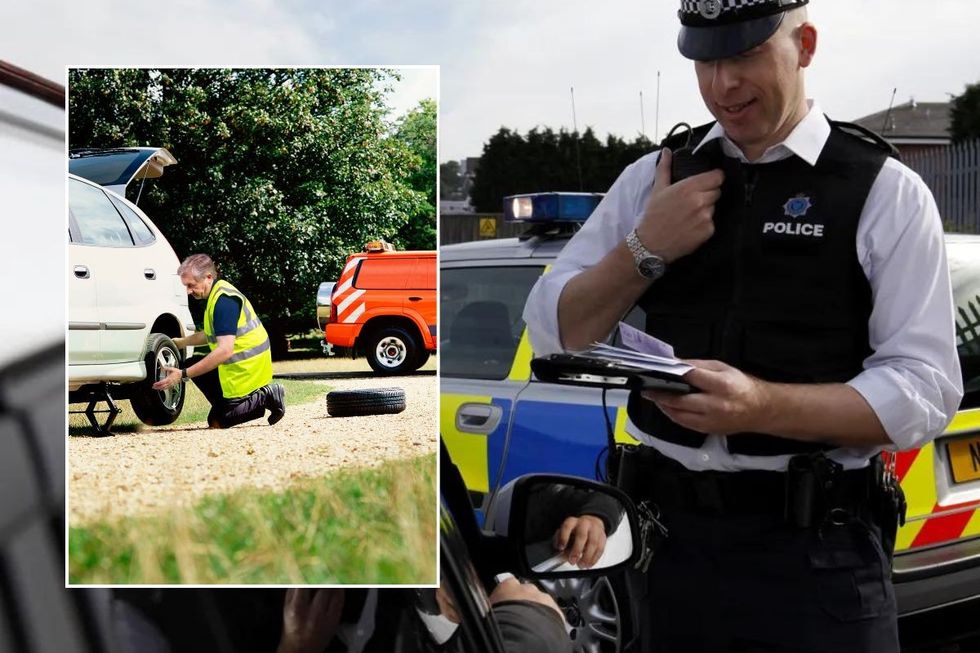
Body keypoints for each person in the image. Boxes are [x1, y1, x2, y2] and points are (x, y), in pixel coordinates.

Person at [523, 1, 963, 651]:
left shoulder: (883, 190)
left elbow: (926, 389)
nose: (721, 84)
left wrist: (761, 405)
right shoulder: (654, 178)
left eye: (745, 55)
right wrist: (646, 248)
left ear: (805, 44)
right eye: (705, 60)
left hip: (818, 562)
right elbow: (554, 331)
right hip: (667, 557)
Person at [153, 253, 286, 429]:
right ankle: (228, 404)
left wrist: (183, 374)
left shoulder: (224, 301)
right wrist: (180, 342)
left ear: (208, 277)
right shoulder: (216, 295)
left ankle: (266, 395)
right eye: (186, 286)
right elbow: (210, 334)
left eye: (191, 285)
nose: (188, 291)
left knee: (219, 420)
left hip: (248, 371)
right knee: (193, 362)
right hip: (238, 369)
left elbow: (224, 350)